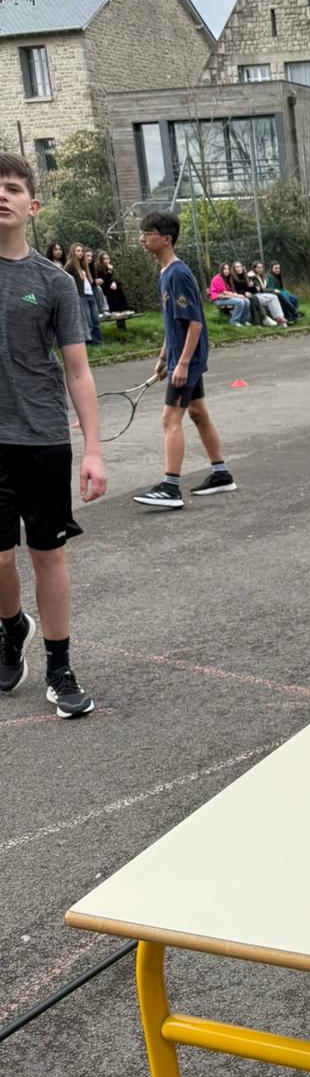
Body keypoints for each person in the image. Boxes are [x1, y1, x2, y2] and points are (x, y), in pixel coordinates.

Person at [0, 152, 107, 718]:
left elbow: (78, 371)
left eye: (13, 188)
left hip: (41, 436)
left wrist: (94, 450)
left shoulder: (55, 282)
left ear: (32, 205)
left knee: (47, 556)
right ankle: (11, 626)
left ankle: (59, 667)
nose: (2, 195)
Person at [133, 211, 237, 510]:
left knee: (170, 419)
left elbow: (195, 323)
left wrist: (182, 363)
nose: (141, 239)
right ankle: (221, 474)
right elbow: (174, 323)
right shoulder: (165, 272)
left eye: (147, 234)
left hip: (188, 359)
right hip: (182, 356)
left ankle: (170, 488)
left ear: (166, 239)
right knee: (198, 412)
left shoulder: (178, 274)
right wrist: (165, 355)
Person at [65, 243, 103, 347]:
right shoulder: (70, 265)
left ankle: (98, 342)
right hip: (81, 296)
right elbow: (65, 280)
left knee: (95, 320)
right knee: (88, 321)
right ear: (73, 252)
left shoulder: (83, 265)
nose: (80, 253)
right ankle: (89, 342)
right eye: (78, 251)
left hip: (90, 295)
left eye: (82, 251)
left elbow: (89, 281)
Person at [231, 260, 286, 326]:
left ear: (242, 267)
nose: (239, 268)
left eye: (240, 266)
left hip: (253, 294)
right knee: (255, 298)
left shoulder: (245, 276)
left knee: (274, 297)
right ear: (234, 269)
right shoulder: (233, 278)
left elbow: (253, 290)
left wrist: (252, 286)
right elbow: (235, 290)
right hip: (245, 296)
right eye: (236, 267)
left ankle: (280, 318)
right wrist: (245, 293)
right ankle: (264, 318)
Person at [84, 248, 109, 316]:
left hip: (92, 287)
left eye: (91, 256)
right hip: (82, 289)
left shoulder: (92, 266)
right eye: (87, 256)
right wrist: (95, 282)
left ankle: (104, 310)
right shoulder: (80, 266)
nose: (90, 258)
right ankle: (100, 311)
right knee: (98, 289)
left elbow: (93, 280)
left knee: (98, 288)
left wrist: (97, 281)